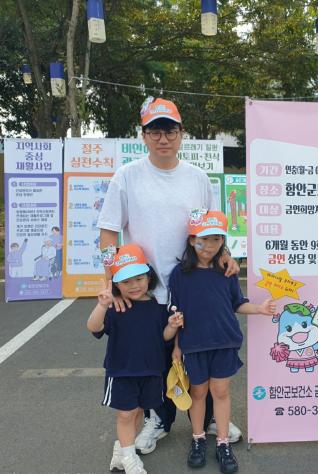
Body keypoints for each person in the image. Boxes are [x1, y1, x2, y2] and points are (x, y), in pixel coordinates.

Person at [97, 97, 241, 462]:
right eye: (155, 131)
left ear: (181, 134)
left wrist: (225, 254)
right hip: (146, 292)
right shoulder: (127, 176)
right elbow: (109, 232)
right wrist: (110, 282)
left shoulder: (198, 178)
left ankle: (209, 419)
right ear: (143, 135)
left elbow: (211, 228)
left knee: (199, 355)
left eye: (170, 131)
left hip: (194, 288)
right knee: (154, 361)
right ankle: (158, 420)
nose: (163, 138)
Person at [168, 210, 276, 473]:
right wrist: (177, 347)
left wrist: (259, 309)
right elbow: (174, 313)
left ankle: (223, 442)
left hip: (225, 342)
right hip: (194, 344)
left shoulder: (226, 271)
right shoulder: (179, 274)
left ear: (223, 242)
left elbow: (238, 303)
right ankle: (198, 439)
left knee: (221, 392)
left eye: (216, 239)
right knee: (198, 393)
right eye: (204, 239)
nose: (210, 245)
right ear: (192, 240)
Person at [87, 244, 184, 474]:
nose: (134, 285)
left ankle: (122, 449)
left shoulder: (157, 307)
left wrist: (172, 326)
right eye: (126, 282)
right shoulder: (116, 307)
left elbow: (162, 338)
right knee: (125, 413)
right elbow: (94, 327)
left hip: (151, 371)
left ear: (148, 277)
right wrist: (102, 305)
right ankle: (130, 459)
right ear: (117, 285)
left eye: (139, 279)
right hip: (122, 371)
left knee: (139, 411)